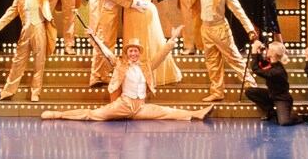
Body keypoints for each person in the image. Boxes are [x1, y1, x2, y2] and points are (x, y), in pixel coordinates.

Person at [40, 25, 214, 121]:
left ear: (139, 53)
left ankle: (197, 114)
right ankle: (59, 114)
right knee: (93, 115)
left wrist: (173, 39)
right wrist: (93, 37)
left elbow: (161, 55)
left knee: (167, 112)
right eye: (130, 51)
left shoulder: (146, 64)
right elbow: (104, 52)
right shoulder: (119, 64)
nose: (133, 53)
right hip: (123, 105)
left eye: (136, 51)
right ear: (126, 53)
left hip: (140, 108)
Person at [184, 0, 257, 102]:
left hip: (220, 28)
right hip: (205, 28)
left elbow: (238, 10)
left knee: (235, 59)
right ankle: (217, 91)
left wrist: (249, 29)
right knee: (212, 62)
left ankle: (251, 85)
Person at [105, 0, 182, 85]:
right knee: (133, 41)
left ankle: (148, 75)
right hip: (131, 15)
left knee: (146, 42)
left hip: (144, 14)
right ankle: (134, 75)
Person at [0, 0, 62, 102]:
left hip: (39, 28)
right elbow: (9, 14)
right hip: (26, 30)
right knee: (18, 62)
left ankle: (35, 92)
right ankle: (8, 90)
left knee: (39, 63)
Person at [245, 40, 301, 125]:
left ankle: (298, 116)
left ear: (274, 53)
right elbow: (261, 64)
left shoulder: (277, 70)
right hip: (271, 94)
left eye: (269, 49)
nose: (267, 50)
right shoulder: (272, 64)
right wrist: (258, 53)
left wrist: (253, 51)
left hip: (281, 98)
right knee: (250, 91)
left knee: (284, 122)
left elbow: (256, 69)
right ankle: (270, 110)